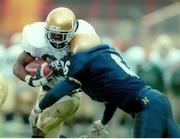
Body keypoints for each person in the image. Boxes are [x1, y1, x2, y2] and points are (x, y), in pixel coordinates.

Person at [32, 43, 180, 137]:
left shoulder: (81, 65)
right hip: (157, 100)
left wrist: (38, 107)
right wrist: (103, 122)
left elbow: (58, 91)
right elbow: (112, 101)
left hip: (145, 105)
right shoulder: (101, 60)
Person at [13, 7, 101, 137]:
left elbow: (91, 73)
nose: (55, 39)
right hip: (46, 91)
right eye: (52, 34)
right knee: (47, 134)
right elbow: (18, 65)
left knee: (40, 128)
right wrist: (30, 80)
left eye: (60, 36)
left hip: (69, 93)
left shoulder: (82, 42)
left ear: (72, 33)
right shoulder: (39, 40)